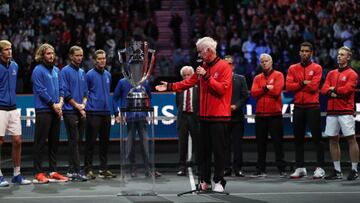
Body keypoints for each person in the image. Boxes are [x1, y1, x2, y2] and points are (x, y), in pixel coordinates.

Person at [156, 36, 232, 192]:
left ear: (209, 51)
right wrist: (170, 86)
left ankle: (219, 181)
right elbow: (189, 82)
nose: (198, 55)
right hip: (203, 117)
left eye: (200, 52)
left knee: (218, 152)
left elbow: (221, 89)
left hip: (219, 118)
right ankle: (205, 181)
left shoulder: (224, 67)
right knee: (203, 152)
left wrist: (206, 76)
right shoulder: (203, 66)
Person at [286, 42, 325, 179]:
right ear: (299, 52)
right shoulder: (292, 68)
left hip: (312, 106)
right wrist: (303, 83)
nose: (304, 53)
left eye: (307, 51)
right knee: (298, 139)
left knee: (317, 139)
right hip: (298, 107)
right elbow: (289, 86)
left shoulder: (317, 68)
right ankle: (300, 167)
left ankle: (320, 168)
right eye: (302, 51)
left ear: (311, 53)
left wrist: (299, 84)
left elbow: (314, 87)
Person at [32, 43, 69, 183]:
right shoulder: (37, 70)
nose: (51, 56)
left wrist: (60, 103)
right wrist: (53, 105)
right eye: (48, 53)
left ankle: (53, 171)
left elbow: (61, 89)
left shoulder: (56, 70)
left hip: (56, 109)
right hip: (43, 110)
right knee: (40, 142)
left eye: (52, 53)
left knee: (54, 142)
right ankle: (38, 172)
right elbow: (41, 90)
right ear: (42, 55)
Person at [321, 46, 359, 181]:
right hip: (332, 111)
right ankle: (337, 171)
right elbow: (324, 89)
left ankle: (354, 170)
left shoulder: (352, 74)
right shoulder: (331, 73)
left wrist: (334, 89)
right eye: (338, 54)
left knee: (351, 139)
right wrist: (333, 91)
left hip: (345, 111)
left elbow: (347, 90)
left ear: (348, 57)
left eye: (342, 55)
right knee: (332, 139)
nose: (339, 56)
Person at [112, 78, 161, 178]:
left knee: (145, 144)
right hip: (129, 118)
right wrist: (117, 114)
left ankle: (148, 169)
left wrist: (148, 112)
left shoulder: (145, 81)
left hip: (142, 118)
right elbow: (114, 98)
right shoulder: (122, 82)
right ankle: (132, 168)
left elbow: (149, 97)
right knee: (130, 145)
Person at [0, 40, 31, 187]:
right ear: (0, 52)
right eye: (6, 50)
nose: (10, 52)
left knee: (18, 140)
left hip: (13, 108)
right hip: (0, 108)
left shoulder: (15, 66)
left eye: (11, 49)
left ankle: (16, 175)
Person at [250, 53, 287, 177]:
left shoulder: (279, 75)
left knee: (278, 143)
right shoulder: (257, 78)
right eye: (262, 61)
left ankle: (282, 169)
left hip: (275, 115)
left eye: (266, 61)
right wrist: (266, 88)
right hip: (260, 115)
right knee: (261, 144)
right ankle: (261, 169)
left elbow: (276, 91)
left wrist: (262, 91)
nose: (264, 63)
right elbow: (254, 94)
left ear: (271, 62)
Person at [84, 49, 116, 179]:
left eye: (104, 58)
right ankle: (88, 169)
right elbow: (85, 93)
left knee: (105, 143)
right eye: (100, 58)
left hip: (106, 113)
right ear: (95, 60)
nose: (102, 60)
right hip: (93, 112)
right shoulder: (89, 75)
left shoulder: (108, 75)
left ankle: (104, 168)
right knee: (90, 142)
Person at [60, 46, 88, 181]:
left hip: (80, 110)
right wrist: (77, 106)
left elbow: (85, 93)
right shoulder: (64, 71)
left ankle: (71, 170)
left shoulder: (82, 72)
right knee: (74, 141)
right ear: (71, 56)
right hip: (69, 111)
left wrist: (83, 105)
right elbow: (65, 93)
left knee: (76, 141)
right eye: (77, 55)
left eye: (81, 55)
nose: (79, 58)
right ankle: (77, 171)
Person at [223, 55, 248, 177]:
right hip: (223, 117)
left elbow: (245, 96)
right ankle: (226, 168)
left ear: (233, 65)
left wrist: (236, 106)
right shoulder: (218, 80)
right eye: (225, 63)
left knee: (238, 144)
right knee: (224, 144)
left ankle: (238, 168)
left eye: (230, 63)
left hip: (237, 117)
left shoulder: (240, 78)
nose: (228, 66)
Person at [175, 66, 200, 176]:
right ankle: (182, 167)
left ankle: (198, 166)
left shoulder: (198, 86)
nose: (186, 77)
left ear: (193, 75)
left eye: (188, 74)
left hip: (195, 117)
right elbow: (178, 103)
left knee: (198, 142)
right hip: (183, 117)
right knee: (182, 143)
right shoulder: (179, 87)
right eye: (184, 75)